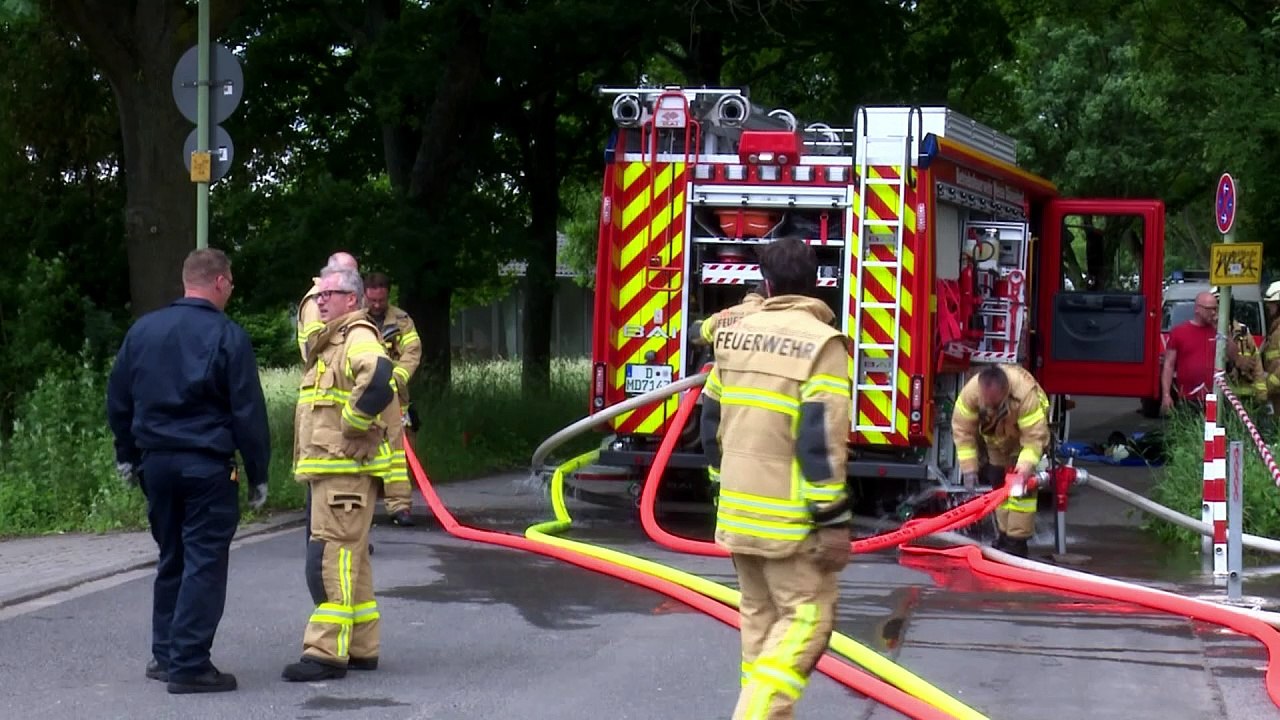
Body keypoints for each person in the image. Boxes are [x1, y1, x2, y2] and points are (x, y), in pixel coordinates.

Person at [699, 236, 852, 720]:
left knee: (761, 631)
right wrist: (832, 520)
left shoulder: (732, 334)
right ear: (816, 285)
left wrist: (720, 485)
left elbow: (709, 420)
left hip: (740, 512)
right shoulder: (822, 345)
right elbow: (818, 441)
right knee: (809, 620)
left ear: (766, 284)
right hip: (789, 524)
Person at [105, 248, 270, 694]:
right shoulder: (228, 336)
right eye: (231, 282)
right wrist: (258, 474)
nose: (232, 289)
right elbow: (247, 412)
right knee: (204, 561)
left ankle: (165, 653)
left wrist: (127, 453)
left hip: (155, 465)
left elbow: (118, 398)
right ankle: (190, 664)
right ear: (218, 282)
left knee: (172, 555)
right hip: (206, 466)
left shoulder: (143, 331)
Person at [284, 267, 398, 682]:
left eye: (328, 294)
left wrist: (353, 423)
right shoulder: (334, 341)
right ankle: (362, 647)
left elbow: (381, 377)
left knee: (329, 560)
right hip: (338, 475)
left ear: (351, 299)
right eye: (318, 296)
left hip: (342, 476)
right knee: (352, 563)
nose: (321, 302)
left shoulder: (357, 337)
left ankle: (325, 652)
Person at [951, 363, 1050, 558]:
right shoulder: (971, 393)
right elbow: (963, 432)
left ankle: (1017, 542)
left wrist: (1023, 472)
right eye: (986, 404)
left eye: (994, 405)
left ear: (1005, 392)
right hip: (996, 440)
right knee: (998, 482)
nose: (989, 409)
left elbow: (1033, 439)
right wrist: (969, 470)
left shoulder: (1024, 395)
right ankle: (1004, 536)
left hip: (1023, 440)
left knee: (1021, 492)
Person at [364, 272, 422, 527]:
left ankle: (400, 506)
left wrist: (396, 378)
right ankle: (360, 506)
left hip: (394, 396)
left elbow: (412, 352)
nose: (377, 305)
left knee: (399, 452)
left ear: (388, 295)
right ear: (364, 294)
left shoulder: (402, 320)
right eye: (372, 300)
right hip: (362, 394)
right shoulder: (354, 318)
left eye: (381, 300)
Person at [296, 251, 359, 361]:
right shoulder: (315, 300)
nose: (353, 277)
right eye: (348, 272)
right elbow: (315, 344)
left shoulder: (344, 295)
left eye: (355, 272)